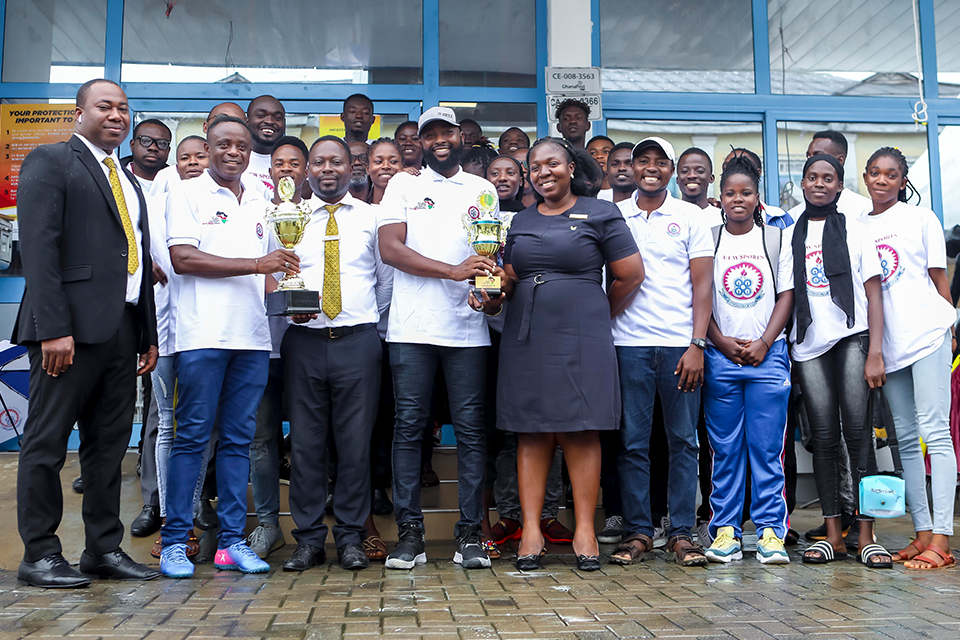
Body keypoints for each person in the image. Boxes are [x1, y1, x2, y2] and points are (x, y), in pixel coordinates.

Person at [472, 137, 643, 572]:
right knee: (530, 430)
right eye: (535, 166)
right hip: (527, 336)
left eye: (552, 163)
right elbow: (509, 276)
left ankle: (584, 529)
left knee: (582, 429)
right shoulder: (521, 220)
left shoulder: (602, 212)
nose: (543, 172)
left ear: (571, 167)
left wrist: (594, 310)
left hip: (583, 334)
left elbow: (629, 275)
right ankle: (531, 530)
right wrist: (491, 295)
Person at [14, 78, 160, 587]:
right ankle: (40, 554)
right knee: (48, 442)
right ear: (79, 113)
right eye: (105, 106)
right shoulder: (51, 161)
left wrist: (147, 334)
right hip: (67, 333)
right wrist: (54, 328)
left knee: (109, 446)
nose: (117, 115)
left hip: (121, 331)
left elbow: (135, 260)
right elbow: (38, 249)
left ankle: (103, 549)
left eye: (123, 108)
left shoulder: (127, 178)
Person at [158, 115, 300, 578]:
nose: (233, 152)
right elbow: (184, 258)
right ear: (208, 147)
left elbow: (275, 270)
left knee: (240, 441)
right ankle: (175, 542)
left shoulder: (261, 201)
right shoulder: (186, 192)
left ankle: (233, 543)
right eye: (223, 144)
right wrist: (258, 263)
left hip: (253, 339)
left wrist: (293, 296)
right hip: (201, 336)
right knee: (192, 439)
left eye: (240, 145)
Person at [378, 106, 500, 570]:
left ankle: (470, 533)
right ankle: (410, 534)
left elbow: (488, 254)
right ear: (421, 143)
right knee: (409, 428)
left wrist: (488, 295)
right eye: (430, 134)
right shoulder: (404, 186)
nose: (440, 140)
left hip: (467, 329)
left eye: (447, 132)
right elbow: (391, 249)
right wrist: (451, 272)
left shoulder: (482, 188)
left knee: (471, 431)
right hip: (411, 326)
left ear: (462, 136)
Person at [279, 136, 392, 572]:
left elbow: (384, 281)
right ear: (306, 170)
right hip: (303, 343)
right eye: (319, 162)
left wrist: (361, 319)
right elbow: (276, 272)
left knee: (354, 445)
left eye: (337, 162)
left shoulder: (371, 217)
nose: (328, 169)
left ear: (352, 168)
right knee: (306, 447)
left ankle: (349, 536)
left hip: (357, 343)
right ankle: (307, 539)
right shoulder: (287, 216)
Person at [610, 137, 714, 568]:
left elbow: (702, 285)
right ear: (631, 169)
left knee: (683, 442)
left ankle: (682, 533)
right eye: (642, 161)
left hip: (678, 346)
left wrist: (697, 343)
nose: (650, 168)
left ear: (671, 170)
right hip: (626, 344)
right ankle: (638, 531)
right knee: (633, 444)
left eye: (659, 162)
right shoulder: (614, 214)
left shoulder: (690, 216)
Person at [789, 154, 891, 568]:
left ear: (838, 185)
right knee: (825, 440)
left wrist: (877, 351)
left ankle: (866, 535)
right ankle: (833, 535)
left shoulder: (857, 230)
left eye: (827, 178)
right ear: (802, 182)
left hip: (853, 339)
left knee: (858, 435)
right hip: (808, 344)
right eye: (812, 177)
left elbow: (873, 294)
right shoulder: (789, 230)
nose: (819, 184)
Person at [861, 147, 958, 570]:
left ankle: (943, 538)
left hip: (928, 333)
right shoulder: (858, 224)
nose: (882, 180)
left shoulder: (922, 219)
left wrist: (948, 328)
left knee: (935, 433)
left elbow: (940, 278)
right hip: (892, 346)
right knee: (904, 441)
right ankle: (922, 533)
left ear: (903, 181)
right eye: (875, 173)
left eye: (891, 175)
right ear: (865, 177)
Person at [481, 154, 576, 558]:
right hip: (492, 333)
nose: (502, 178)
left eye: (510, 172)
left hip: (538, 333)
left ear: (524, 179)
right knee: (507, 430)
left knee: (550, 424)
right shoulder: (479, 216)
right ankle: (509, 512)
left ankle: (548, 512)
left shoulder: (531, 219)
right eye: (493, 173)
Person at [702, 154, 794, 565]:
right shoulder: (707, 238)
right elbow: (698, 298)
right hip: (721, 358)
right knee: (725, 450)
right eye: (729, 193)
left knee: (766, 448)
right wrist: (719, 343)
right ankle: (725, 530)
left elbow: (787, 295)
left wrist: (764, 342)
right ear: (719, 198)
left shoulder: (776, 239)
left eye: (746, 193)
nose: (737, 200)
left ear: (759, 198)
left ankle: (772, 531)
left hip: (767, 357)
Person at [245, 136, 312, 560]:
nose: (286, 169)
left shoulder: (319, 213)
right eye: (278, 163)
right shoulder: (256, 211)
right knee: (261, 439)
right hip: (260, 345)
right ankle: (269, 524)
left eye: (294, 162)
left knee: (310, 436)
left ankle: (313, 520)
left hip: (308, 343)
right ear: (268, 171)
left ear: (305, 170)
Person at [147, 136, 211, 561]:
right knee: (170, 424)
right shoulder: (156, 200)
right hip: (161, 332)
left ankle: (194, 516)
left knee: (201, 428)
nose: (192, 162)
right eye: (184, 156)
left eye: (199, 155)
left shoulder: (223, 202)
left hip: (204, 331)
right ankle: (177, 522)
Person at [787, 131, 873, 221]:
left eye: (818, 155)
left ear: (840, 160)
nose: (811, 161)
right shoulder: (793, 216)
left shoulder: (864, 210)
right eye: (809, 156)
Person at [245, 95, 286, 198]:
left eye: (277, 118)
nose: (270, 121)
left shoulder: (294, 164)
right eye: (260, 115)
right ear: (247, 122)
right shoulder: (233, 159)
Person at [125, 119, 172, 194]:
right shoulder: (113, 176)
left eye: (162, 143)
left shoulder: (178, 182)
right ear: (132, 145)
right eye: (145, 141)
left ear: (168, 151)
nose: (153, 148)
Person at [368, 138, 403, 205]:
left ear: (402, 167)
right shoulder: (357, 208)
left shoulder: (412, 206)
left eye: (393, 162)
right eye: (378, 162)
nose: (386, 166)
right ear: (367, 168)